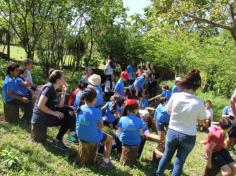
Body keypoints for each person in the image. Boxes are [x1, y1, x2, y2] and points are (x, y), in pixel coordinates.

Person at [156, 69, 205, 176]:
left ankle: (159, 174)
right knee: (179, 161)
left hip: (172, 132)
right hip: (189, 136)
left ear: (184, 82)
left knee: (166, 156)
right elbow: (202, 120)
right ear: (197, 86)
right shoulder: (199, 102)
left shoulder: (175, 96)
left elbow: (168, 111)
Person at [31, 69, 77, 150]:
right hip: (41, 118)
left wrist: (64, 92)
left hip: (46, 114)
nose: (65, 80)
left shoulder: (53, 88)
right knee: (67, 116)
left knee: (70, 110)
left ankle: (72, 134)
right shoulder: (48, 88)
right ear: (58, 80)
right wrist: (54, 113)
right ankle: (62, 138)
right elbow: (40, 105)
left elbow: (59, 105)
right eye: (63, 78)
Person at [76, 87, 113, 167]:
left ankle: (70, 142)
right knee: (109, 139)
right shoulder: (97, 111)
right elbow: (100, 126)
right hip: (91, 136)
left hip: (79, 135)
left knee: (97, 134)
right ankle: (106, 162)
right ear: (95, 99)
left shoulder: (80, 108)